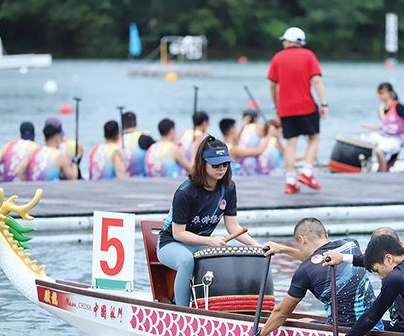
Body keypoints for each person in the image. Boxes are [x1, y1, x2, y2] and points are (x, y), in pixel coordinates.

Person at [245, 218, 378, 336]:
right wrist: (283, 249)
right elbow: (316, 261)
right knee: (306, 320)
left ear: (301, 239)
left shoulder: (305, 271)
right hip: (373, 324)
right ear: (326, 236)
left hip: (343, 334)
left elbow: (281, 313)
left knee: (300, 323)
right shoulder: (351, 244)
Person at [156, 136, 261, 307]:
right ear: (202, 163)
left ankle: (216, 307)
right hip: (171, 244)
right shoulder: (185, 192)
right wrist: (209, 241)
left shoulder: (229, 188)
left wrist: (257, 247)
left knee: (226, 259)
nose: (221, 169)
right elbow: (178, 233)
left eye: (225, 164)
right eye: (215, 165)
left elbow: (233, 226)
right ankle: (182, 311)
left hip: (200, 245)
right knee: (186, 261)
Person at [324, 227, 404, 335]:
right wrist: (343, 257)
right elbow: (372, 260)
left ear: (389, 257)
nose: (381, 277)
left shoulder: (395, 278)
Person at [267, 27, 326, 194]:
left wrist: (276, 105)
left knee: (291, 143)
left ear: (288, 41)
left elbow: (272, 85)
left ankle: (290, 181)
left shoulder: (277, 57)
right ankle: (307, 172)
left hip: (285, 108)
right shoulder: (309, 55)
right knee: (314, 138)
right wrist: (324, 104)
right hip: (306, 105)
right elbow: (317, 80)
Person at [357, 83, 404, 172]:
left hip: (397, 139)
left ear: (390, 93)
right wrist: (379, 128)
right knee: (356, 139)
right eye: (378, 92)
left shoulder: (398, 107)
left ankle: (383, 173)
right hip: (384, 135)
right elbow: (387, 126)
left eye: (382, 92)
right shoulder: (381, 108)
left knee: (379, 151)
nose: (380, 95)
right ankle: (361, 166)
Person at [14, 124, 80, 181]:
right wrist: (74, 162)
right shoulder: (60, 156)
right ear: (57, 139)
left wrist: (30, 183)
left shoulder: (33, 152)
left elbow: (18, 172)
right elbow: (73, 177)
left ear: (45, 140)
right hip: (51, 190)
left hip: (34, 190)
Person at [237, 108, 287, 176]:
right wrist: (272, 134)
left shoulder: (241, 130)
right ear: (255, 119)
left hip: (241, 167)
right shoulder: (258, 128)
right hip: (253, 168)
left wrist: (242, 127)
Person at [121, 111, 156, 177]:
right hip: (142, 179)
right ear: (136, 124)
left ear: (122, 126)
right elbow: (159, 147)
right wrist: (148, 136)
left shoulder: (118, 140)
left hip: (122, 180)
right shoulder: (143, 138)